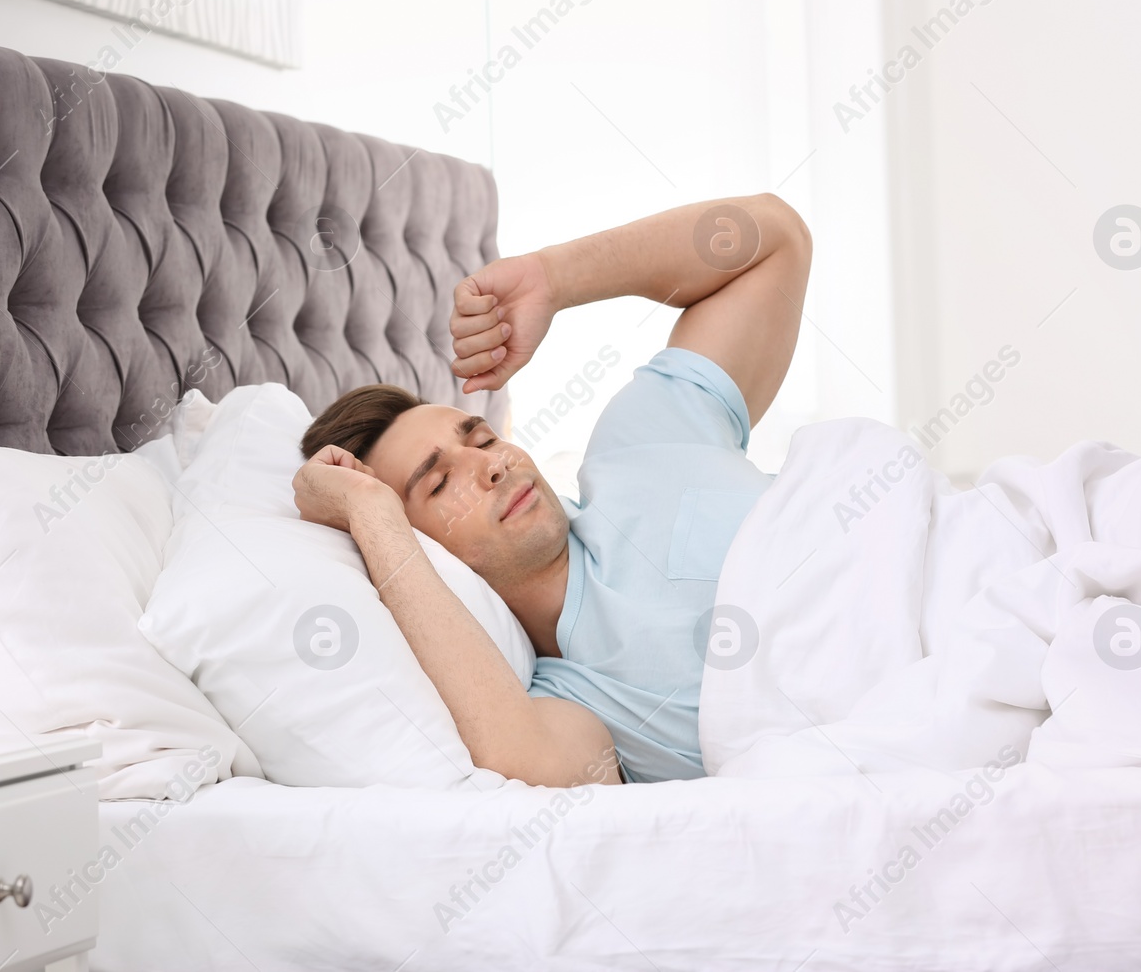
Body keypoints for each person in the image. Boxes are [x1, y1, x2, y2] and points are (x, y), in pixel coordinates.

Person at [291, 196, 813, 786]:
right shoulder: (572, 699)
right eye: (439, 483)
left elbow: (772, 238)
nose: (492, 467)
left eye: (483, 440)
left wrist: (554, 278)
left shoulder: (638, 443)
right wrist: (370, 513)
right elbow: (522, 763)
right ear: (424, 548)